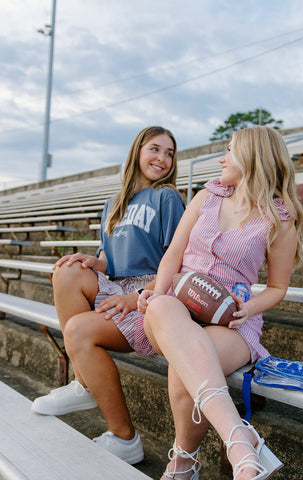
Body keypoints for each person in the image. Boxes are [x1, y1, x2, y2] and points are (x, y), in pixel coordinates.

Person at [138, 126, 303, 480]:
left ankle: (184, 462)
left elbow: (277, 287)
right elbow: (172, 256)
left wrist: (250, 308)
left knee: (190, 363)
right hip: (176, 308)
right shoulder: (206, 197)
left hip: (231, 320)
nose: (221, 158)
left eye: (229, 150)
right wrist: (158, 290)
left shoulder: (280, 217)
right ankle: (238, 437)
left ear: (250, 156)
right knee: (163, 308)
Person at [31, 126, 185, 465]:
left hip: (152, 295)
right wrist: (95, 261)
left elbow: (181, 261)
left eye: (169, 153)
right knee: (67, 270)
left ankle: (124, 438)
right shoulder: (112, 203)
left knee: (78, 331)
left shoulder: (167, 198)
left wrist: (140, 295)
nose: (162, 158)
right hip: (118, 285)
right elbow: (113, 263)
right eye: (155, 149)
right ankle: (84, 383)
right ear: (137, 151)